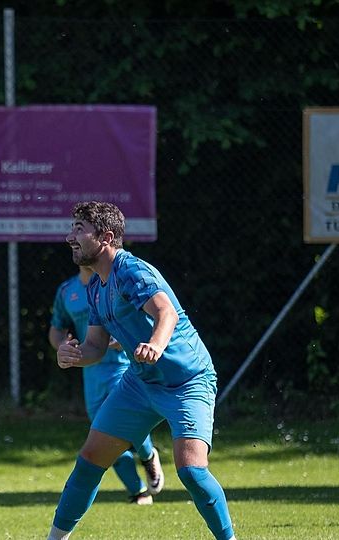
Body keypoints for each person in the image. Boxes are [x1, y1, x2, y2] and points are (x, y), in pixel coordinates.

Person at [47, 201, 236, 540]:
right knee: (89, 460)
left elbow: (167, 313)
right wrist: (71, 355)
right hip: (140, 383)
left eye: (79, 229)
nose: (69, 237)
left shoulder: (131, 271)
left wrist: (156, 345)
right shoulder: (94, 287)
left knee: (191, 471)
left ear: (106, 237)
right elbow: (95, 347)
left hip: (187, 381)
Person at [49, 265, 164, 505]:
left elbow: (142, 318)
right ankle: (137, 491)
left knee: (126, 422)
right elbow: (56, 329)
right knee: (102, 431)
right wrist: (63, 346)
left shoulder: (116, 283)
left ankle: (147, 454)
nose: (77, 242)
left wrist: (125, 338)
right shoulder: (67, 290)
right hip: (90, 371)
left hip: (122, 366)